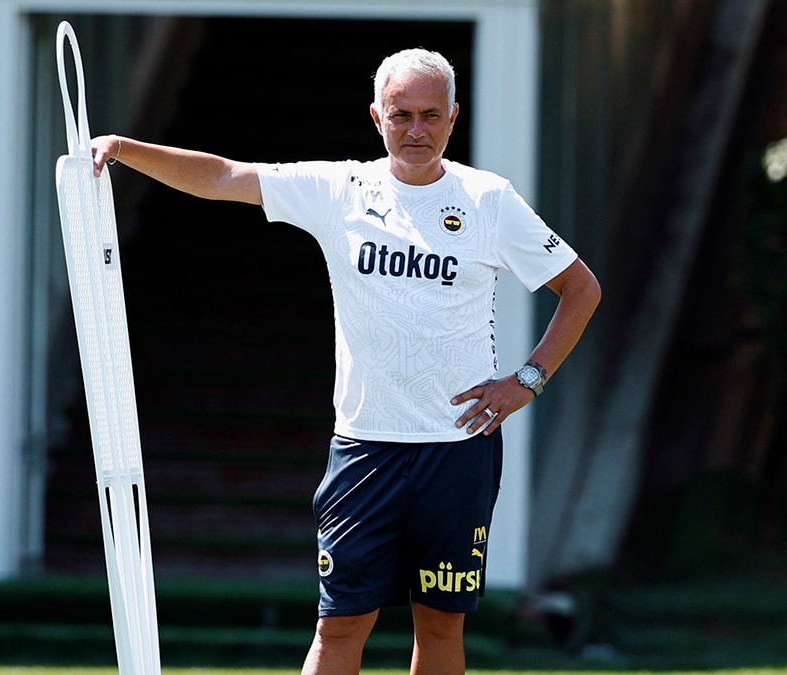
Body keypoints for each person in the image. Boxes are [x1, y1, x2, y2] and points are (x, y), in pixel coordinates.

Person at [90, 48, 600, 675]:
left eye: (431, 115)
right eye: (401, 115)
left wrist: (527, 380)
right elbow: (225, 176)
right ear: (377, 118)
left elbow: (581, 288)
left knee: (441, 624)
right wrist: (125, 149)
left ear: (453, 117)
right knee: (339, 625)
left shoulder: (488, 199)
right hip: (365, 448)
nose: (417, 130)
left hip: (457, 449)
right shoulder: (341, 189)